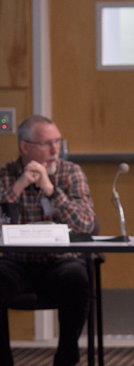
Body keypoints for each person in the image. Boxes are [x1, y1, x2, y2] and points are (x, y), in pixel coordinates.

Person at [0, 115, 96, 366]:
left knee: (77, 278)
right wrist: (18, 187)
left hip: (60, 263)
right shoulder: (6, 175)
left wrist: (51, 190)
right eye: (47, 144)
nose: (56, 150)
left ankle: (66, 357)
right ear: (25, 147)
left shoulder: (71, 172)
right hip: (17, 264)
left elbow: (85, 224)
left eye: (58, 142)